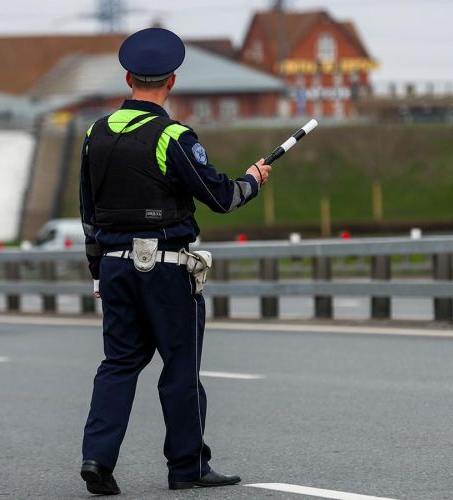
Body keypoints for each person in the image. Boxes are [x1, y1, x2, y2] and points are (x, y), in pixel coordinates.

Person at [79, 27, 272, 495]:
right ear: (172, 81)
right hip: (166, 270)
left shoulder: (95, 133)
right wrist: (252, 180)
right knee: (180, 368)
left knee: (119, 364)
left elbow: (88, 211)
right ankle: (186, 466)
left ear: (128, 78)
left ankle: (97, 459)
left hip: (115, 267)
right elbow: (219, 197)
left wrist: (99, 271)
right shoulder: (173, 136)